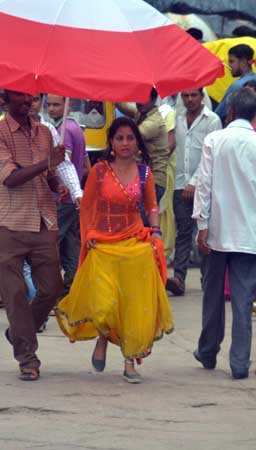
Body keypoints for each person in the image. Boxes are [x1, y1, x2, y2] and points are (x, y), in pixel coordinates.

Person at [55, 117, 174, 383]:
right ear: (111, 142)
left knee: (132, 305)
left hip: (133, 244)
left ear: (137, 142)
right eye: (119, 138)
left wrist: (155, 232)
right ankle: (103, 338)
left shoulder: (145, 173)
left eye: (130, 138)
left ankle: (129, 361)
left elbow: (152, 207)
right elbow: (88, 209)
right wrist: (90, 237)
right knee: (105, 305)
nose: (125, 143)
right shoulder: (99, 171)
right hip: (104, 245)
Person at [0, 89, 66, 381]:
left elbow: (48, 176)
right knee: (15, 293)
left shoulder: (45, 132)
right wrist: (47, 164)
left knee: (53, 288)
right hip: (9, 221)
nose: (27, 101)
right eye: (19, 97)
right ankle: (27, 358)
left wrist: (58, 183)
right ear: (4, 100)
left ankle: (18, 331)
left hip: (44, 219)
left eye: (30, 97)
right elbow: (11, 177)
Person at [192, 89, 256, 380]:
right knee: (242, 301)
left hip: (217, 231)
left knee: (212, 295)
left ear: (230, 112)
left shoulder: (215, 140)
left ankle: (208, 349)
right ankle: (239, 363)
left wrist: (202, 225)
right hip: (249, 234)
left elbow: (204, 185)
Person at [165, 88, 221, 296]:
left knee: (205, 233)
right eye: (185, 96)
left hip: (204, 186)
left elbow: (211, 154)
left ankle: (208, 278)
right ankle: (179, 278)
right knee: (183, 232)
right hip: (180, 184)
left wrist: (195, 182)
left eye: (193, 95)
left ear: (201, 96)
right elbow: (170, 147)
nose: (189, 100)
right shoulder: (177, 118)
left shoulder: (212, 120)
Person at [46, 94, 89, 291]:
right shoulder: (77, 128)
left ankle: (54, 289)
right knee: (71, 244)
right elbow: (86, 165)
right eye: (50, 104)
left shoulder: (64, 130)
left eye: (56, 105)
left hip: (63, 198)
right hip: (74, 198)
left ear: (67, 105)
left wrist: (63, 188)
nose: (52, 109)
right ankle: (72, 287)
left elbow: (64, 164)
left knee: (52, 244)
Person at [126, 89, 170, 203]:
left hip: (153, 181)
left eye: (143, 98)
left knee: (141, 218)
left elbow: (132, 137)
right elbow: (122, 105)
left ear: (153, 100)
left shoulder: (154, 121)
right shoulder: (142, 113)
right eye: (138, 98)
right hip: (143, 178)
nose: (139, 102)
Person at [214, 44, 256, 123]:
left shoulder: (238, 85)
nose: (229, 65)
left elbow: (220, 113)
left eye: (232, 61)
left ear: (244, 61)